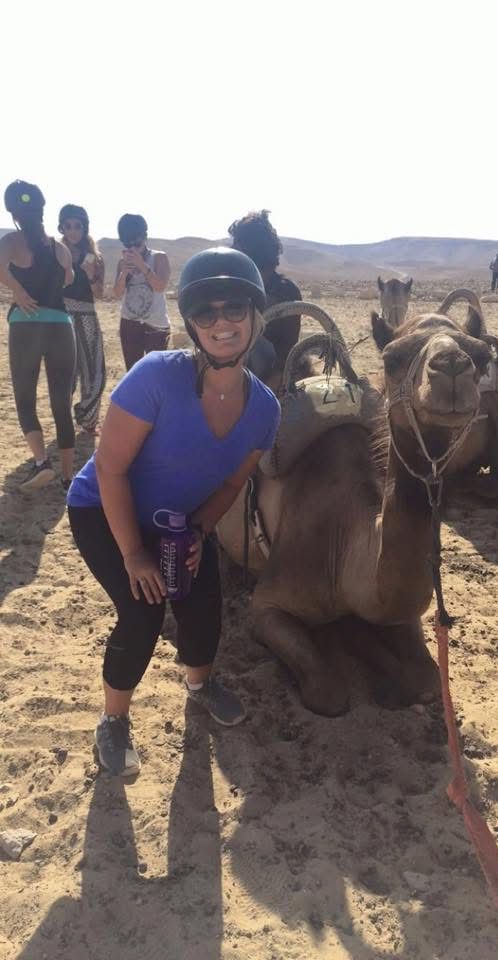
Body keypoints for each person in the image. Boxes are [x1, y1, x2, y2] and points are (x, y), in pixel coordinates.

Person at [67, 247, 281, 776]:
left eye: (234, 308)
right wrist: (133, 554)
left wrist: (199, 533)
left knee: (203, 601)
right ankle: (113, 720)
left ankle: (200, 684)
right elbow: (110, 468)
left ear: (255, 315)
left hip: (180, 520)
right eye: (206, 312)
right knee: (142, 610)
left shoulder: (264, 410)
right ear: (191, 323)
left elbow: (232, 482)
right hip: (103, 508)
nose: (221, 323)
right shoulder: (156, 377)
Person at [0, 181, 76, 491]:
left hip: (26, 324)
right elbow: (68, 279)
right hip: (61, 325)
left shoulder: (11, 241)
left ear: (13, 213)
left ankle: (42, 462)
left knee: (25, 398)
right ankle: (68, 476)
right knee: (61, 401)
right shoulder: (60, 248)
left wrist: (18, 290)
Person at [228, 209, 302, 380]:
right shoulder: (235, 286)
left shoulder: (285, 291)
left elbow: (287, 349)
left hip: (269, 376)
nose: (232, 249)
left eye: (237, 244)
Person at [59, 204, 106, 434]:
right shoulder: (56, 253)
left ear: (84, 227)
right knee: (65, 371)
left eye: (77, 226)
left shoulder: (95, 257)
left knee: (95, 371)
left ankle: (87, 418)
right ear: (62, 228)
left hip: (87, 315)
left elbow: (99, 294)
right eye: (68, 226)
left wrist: (90, 275)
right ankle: (63, 420)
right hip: (61, 316)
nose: (73, 231)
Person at [114, 214, 171, 370]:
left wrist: (142, 265)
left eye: (137, 244)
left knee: (156, 372)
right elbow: (117, 293)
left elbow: (160, 287)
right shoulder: (122, 262)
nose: (132, 249)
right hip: (129, 324)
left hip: (156, 325)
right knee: (134, 372)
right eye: (127, 245)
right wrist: (124, 273)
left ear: (145, 238)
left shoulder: (159, 257)